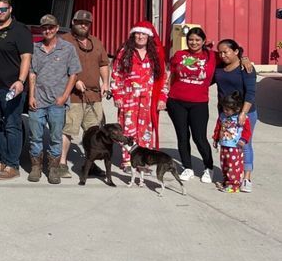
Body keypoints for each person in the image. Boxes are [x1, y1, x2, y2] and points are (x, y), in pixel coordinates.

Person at [0, 0, 33, 180]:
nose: (0, 12)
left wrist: (21, 80)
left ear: (10, 9)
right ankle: (5, 160)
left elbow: (26, 58)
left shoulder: (20, 30)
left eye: (3, 9)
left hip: (12, 88)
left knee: (12, 125)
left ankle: (13, 166)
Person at [27, 14, 80, 185]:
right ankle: (36, 167)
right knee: (35, 137)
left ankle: (53, 168)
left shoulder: (67, 48)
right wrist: (31, 96)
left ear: (57, 28)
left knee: (56, 138)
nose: (47, 30)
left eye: (51, 27)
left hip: (57, 102)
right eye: (44, 28)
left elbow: (73, 74)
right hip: (38, 100)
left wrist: (64, 96)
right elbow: (32, 73)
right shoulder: (35, 48)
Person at [59, 10, 111, 179]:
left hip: (94, 96)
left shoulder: (96, 42)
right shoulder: (64, 41)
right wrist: (74, 81)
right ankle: (61, 163)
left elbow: (103, 64)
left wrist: (106, 83)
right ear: (73, 22)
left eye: (86, 23)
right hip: (73, 96)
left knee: (93, 133)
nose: (83, 25)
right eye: (80, 22)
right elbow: (59, 66)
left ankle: (90, 163)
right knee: (68, 130)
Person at [111, 21, 168, 170]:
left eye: (143, 34)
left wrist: (162, 98)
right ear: (133, 35)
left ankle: (143, 162)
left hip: (148, 100)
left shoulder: (155, 54)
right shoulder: (124, 52)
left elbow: (163, 78)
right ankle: (127, 161)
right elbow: (116, 74)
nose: (140, 36)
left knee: (145, 131)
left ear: (148, 36)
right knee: (128, 130)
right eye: (138, 33)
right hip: (128, 97)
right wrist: (117, 95)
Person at [164, 26, 217, 183]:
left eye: (197, 40)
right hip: (176, 102)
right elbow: (170, 75)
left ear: (203, 41)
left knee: (199, 138)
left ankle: (209, 167)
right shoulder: (180, 55)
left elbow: (232, 55)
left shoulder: (212, 56)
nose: (194, 42)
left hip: (199, 103)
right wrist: (164, 96)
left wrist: (244, 59)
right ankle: (187, 167)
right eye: (191, 40)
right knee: (182, 136)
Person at [213, 38, 257, 192]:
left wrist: (243, 113)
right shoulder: (219, 67)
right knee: (227, 145)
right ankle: (231, 177)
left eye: (226, 52)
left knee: (244, 144)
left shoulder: (246, 68)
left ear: (236, 51)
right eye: (220, 52)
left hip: (245, 112)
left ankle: (246, 179)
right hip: (225, 114)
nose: (222, 55)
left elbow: (251, 93)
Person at [212, 91, 252, 194]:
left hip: (235, 147)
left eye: (227, 109)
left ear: (237, 109)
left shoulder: (241, 118)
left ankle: (233, 185)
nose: (225, 111)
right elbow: (218, 128)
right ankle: (226, 182)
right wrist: (216, 138)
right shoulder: (222, 116)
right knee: (224, 165)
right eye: (224, 108)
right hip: (224, 145)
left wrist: (243, 139)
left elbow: (247, 131)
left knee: (233, 166)